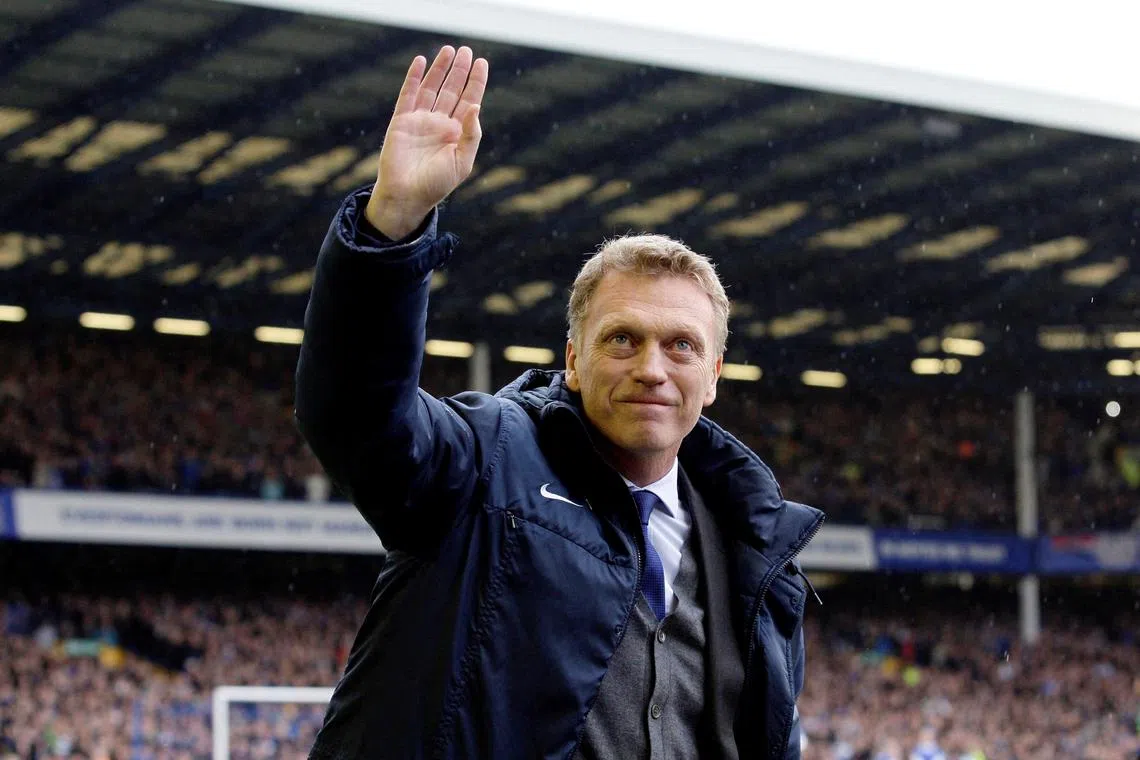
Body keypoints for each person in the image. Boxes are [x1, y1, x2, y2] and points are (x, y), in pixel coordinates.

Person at [295, 45, 824, 760]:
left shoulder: (755, 549)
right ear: (572, 360)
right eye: (622, 339)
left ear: (714, 375)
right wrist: (393, 221)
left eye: (681, 346)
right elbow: (356, 416)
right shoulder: (485, 461)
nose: (651, 369)